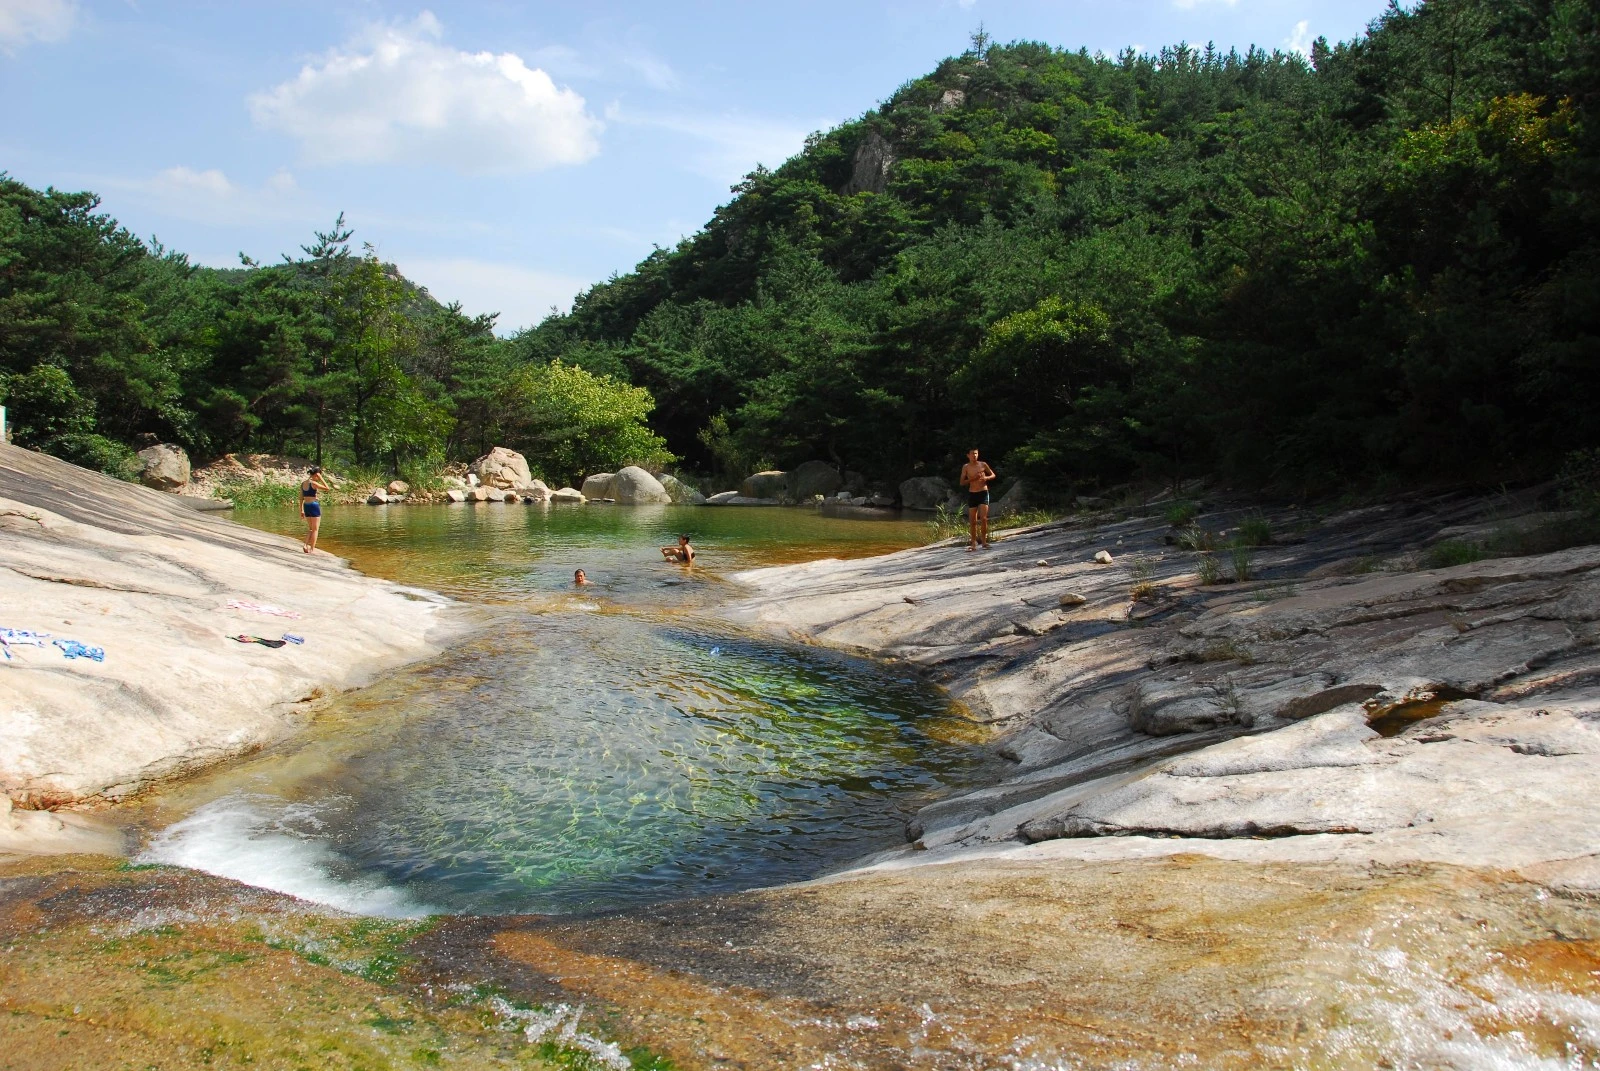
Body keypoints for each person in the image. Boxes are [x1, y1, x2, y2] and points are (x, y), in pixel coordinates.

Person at [958, 448, 997, 551]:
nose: (974, 455)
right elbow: (962, 482)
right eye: (972, 454)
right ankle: (974, 544)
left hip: (983, 492)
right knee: (973, 521)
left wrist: (986, 478)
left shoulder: (983, 464)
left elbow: (993, 475)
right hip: (972, 494)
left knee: (983, 518)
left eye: (976, 453)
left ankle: (984, 542)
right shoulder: (966, 467)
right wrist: (973, 479)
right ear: (968, 455)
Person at [300, 466, 332, 554]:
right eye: (318, 476)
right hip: (314, 506)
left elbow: (301, 498)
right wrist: (321, 477)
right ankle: (312, 549)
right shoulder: (314, 483)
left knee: (311, 528)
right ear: (316, 475)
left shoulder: (303, 484)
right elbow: (327, 488)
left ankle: (305, 545)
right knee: (315, 529)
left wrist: (301, 510)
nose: (318, 478)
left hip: (306, 506)